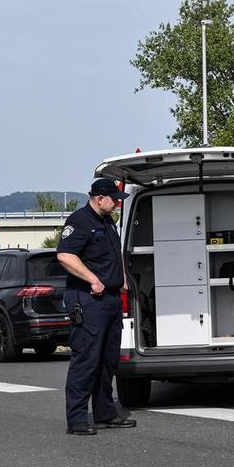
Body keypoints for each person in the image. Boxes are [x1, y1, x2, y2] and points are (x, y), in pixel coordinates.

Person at [57, 178, 138, 434]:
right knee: (87, 360)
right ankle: (77, 420)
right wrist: (93, 279)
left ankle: (105, 413)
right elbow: (65, 255)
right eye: (114, 199)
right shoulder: (80, 221)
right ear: (98, 198)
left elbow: (115, 255)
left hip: (111, 300)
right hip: (89, 301)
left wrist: (122, 278)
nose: (116, 204)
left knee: (107, 361)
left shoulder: (107, 221)